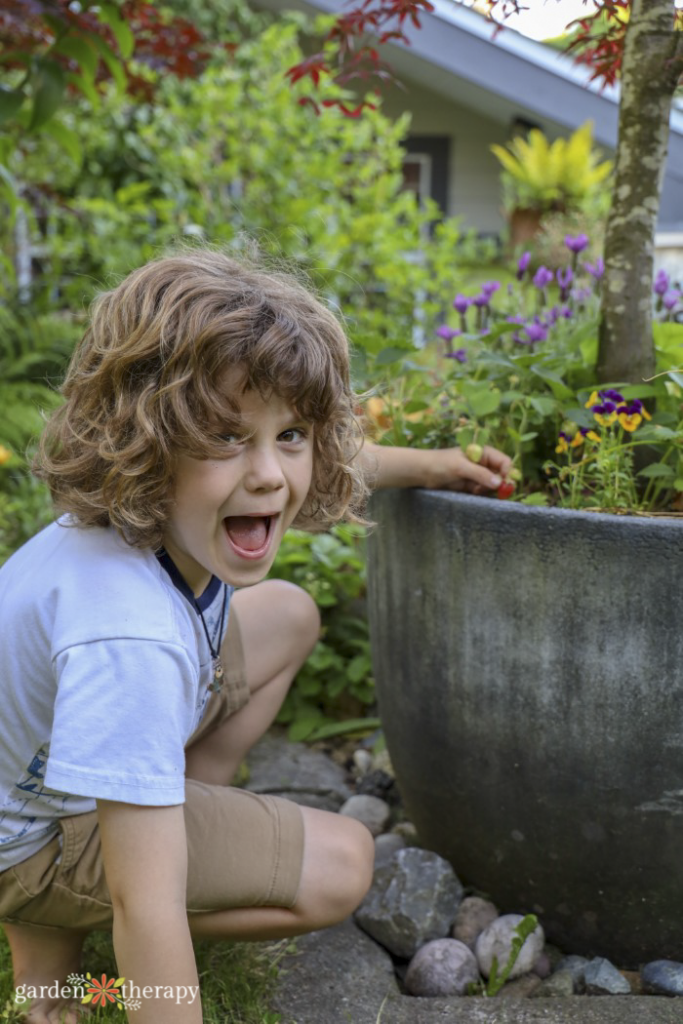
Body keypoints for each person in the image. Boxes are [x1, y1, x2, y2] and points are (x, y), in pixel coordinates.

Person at [0, 249, 511, 1023]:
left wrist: (433, 465)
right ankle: (54, 955)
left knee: (288, 613)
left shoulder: (148, 517)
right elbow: (148, 908)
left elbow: (330, 455)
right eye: (229, 438)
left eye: (291, 433)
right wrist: (146, 920)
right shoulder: (129, 636)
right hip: (32, 842)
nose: (271, 474)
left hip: (53, 762)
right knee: (343, 864)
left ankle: (165, 821)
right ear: (145, 439)